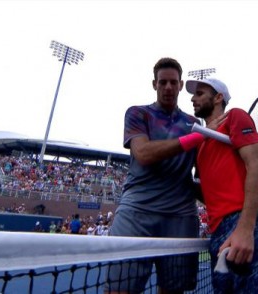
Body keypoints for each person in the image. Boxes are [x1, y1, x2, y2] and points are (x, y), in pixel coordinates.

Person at [108, 57, 202, 294]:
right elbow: (143, 153)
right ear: (154, 84)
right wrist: (194, 138)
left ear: (181, 85)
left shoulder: (196, 123)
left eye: (173, 82)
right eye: (163, 82)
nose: (168, 87)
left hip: (181, 215)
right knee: (119, 290)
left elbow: (201, 178)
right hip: (136, 212)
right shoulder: (137, 113)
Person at [186, 78, 258, 293]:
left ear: (218, 97)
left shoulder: (235, 116)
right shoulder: (201, 141)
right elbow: (209, 193)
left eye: (200, 93)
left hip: (249, 223)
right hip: (219, 228)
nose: (193, 98)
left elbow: (255, 165)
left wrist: (245, 228)